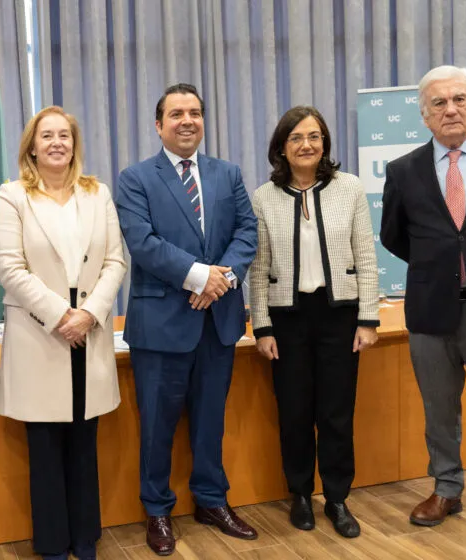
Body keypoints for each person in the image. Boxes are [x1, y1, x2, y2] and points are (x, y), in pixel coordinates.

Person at [115, 83, 258, 555]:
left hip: (217, 322)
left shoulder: (228, 173)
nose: (187, 121)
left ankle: (211, 501)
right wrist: (200, 277)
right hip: (160, 326)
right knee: (157, 425)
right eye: (176, 113)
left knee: (209, 421)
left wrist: (223, 280)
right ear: (159, 124)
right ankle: (157, 511)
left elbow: (246, 231)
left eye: (194, 112)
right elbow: (142, 242)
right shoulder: (136, 178)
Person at [0, 106, 126, 560]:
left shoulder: (97, 193)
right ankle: (51, 543)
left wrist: (88, 315)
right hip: (40, 333)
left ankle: (85, 538)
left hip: (89, 332)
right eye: (46, 135)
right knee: (45, 447)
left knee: (84, 443)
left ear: (74, 143)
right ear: (32, 145)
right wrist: (61, 316)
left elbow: (115, 262)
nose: (56, 143)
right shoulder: (13, 196)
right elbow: (10, 268)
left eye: (64, 135)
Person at [381, 65, 466, 542]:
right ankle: (447, 488)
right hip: (431, 312)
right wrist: (442, 264)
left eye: (459, 99)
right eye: (439, 103)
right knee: (439, 412)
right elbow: (395, 235)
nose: (450, 109)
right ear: (424, 115)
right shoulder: (403, 170)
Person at [249, 106, 380, 538]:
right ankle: (301, 494)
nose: (307, 145)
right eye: (297, 138)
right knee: (295, 411)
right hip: (288, 319)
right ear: (281, 148)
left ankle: (338, 498)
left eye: (315, 136)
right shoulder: (263, 197)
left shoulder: (350, 189)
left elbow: (365, 253)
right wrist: (262, 327)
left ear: (324, 143)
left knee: (337, 413)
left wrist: (368, 319)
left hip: (339, 316)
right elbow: (258, 265)